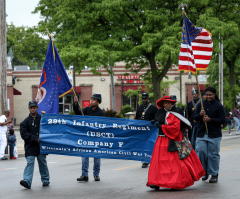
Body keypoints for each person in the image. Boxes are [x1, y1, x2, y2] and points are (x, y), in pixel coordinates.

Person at [147, 96, 205, 190]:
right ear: (163, 104)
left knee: (174, 162)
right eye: (165, 103)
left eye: (169, 103)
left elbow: (175, 128)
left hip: (174, 139)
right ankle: (156, 182)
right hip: (161, 139)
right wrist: (156, 121)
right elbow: (160, 119)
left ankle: (175, 182)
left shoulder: (176, 112)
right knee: (159, 162)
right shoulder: (160, 111)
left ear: (172, 103)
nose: (167, 104)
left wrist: (162, 126)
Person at [194, 86, 225, 183]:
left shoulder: (219, 106)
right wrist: (200, 115)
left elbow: (222, 120)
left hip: (214, 134)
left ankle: (214, 174)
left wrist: (210, 120)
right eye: (206, 95)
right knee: (202, 153)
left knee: (213, 155)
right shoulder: (200, 105)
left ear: (214, 95)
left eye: (210, 95)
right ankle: (205, 171)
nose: (208, 96)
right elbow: (193, 117)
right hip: (202, 133)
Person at [73, 94, 105, 182]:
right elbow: (78, 114)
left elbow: (102, 126)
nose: (91, 101)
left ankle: (96, 174)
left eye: (94, 100)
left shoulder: (101, 113)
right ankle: (84, 174)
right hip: (86, 137)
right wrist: (75, 104)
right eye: (91, 99)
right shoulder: (86, 110)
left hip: (96, 138)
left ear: (98, 102)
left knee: (97, 157)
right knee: (84, 156)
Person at [20, 101, 50, 189]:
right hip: (30, 147)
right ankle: (27, 181)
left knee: (42, 162)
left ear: (37, 108)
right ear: (29, 109)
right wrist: (35, 138)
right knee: (30, 163)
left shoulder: (42, 118)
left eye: (34, 107)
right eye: (31, 108)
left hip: (40, 147)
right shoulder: (24, 122)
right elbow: (24, 134)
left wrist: (46, 117)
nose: (32, 109)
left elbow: (49, 127)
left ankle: (45, 180)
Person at [135, 92, 158, 168]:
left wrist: (154, 120)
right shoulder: (139, 107)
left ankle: (150, 159)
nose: (144, 100)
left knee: (150, 145)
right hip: (142, 130)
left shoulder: (153, 108)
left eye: (145, 98)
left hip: (150, 130)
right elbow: (137, 118)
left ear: (148, 99)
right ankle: (144, 160)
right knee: (142, 145)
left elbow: (158, 118)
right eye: (143, 98)